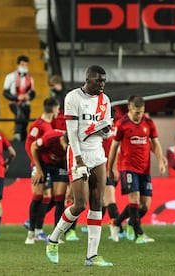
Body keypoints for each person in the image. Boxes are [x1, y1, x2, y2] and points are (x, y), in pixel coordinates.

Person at [46, 65, 113, 267]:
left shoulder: (105, 100)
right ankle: (53, 239)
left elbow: (107, 131)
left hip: (98, 154)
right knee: (80, 204)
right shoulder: (73, 97)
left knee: (97, 203)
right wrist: (78, 159)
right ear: (87, 79)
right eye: (98, 81)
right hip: (78, 153)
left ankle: (92, 256)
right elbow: (72, 133)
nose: (101, 84)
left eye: (104, 81)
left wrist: (106, 130)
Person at [109, 96, 167, 244]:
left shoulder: (148, 122)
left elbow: (155, 143)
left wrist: (160, 160)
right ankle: (139, 234)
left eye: (141, 112)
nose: (139, 115)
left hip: (144, 169)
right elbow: (114, 147)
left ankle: (118, 222)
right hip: (128, 167)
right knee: (134, 200)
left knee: (145, 205)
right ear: (129, 108)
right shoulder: (121, 123)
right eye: (136, 112)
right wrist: (111, 168)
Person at [24, 97, 60, 243]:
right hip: (39, 166)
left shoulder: (48, 124)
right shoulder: (38, 125)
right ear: (53, 109)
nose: (58, 111)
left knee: (47, 196)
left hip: (47, 166)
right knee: (38, 196)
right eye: (58, 108)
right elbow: (29, 145)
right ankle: (31, 232)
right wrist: (35, 164)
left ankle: (38, 230)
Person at [25, 130, 68, 244]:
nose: (65, 149)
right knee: (38, 196)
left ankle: (56, 236)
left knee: (59, 198)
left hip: (60, 165)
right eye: (65, 146)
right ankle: (31, 233)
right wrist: (38, 169)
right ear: (62, 140)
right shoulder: (51, 138)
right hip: (42, 163)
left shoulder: (73, 142)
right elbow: (33, 146)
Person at [3, 55, 36, 141]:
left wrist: (28, 97)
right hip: (14, 103)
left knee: (25, 122)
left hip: (26, 104)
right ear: (17, 65)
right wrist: (17, 98)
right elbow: (5, 93)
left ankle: (23, 140)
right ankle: (17, 134)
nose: (24, 67)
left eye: (26, 65)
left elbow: (33, 93)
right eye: (22, 65)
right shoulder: (10, 77)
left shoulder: (30, 78)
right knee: (20, 115)